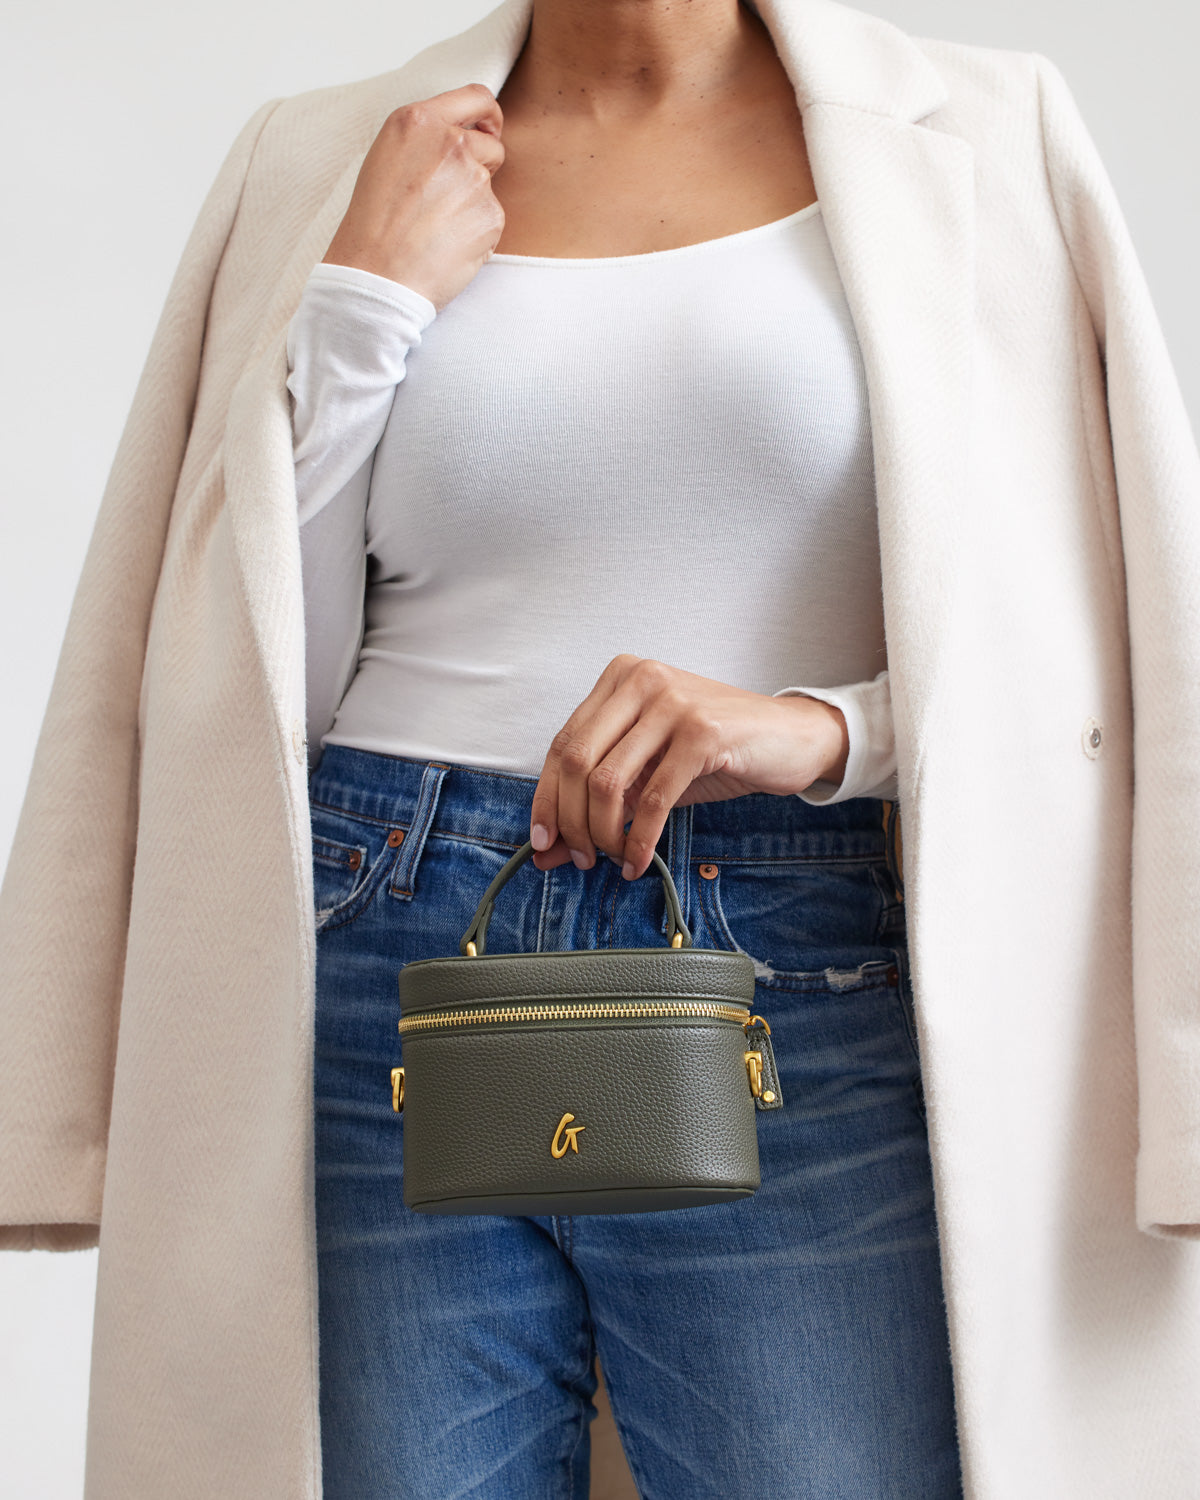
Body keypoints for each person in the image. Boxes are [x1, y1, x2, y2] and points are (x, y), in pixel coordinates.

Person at [289, 0, 959, 1493]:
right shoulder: (337, 156)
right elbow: (241, 638)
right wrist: (362, 299)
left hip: (793, 948)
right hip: (377, 920)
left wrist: (827, 729)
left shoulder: (971, 140)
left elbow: (1082, 646)